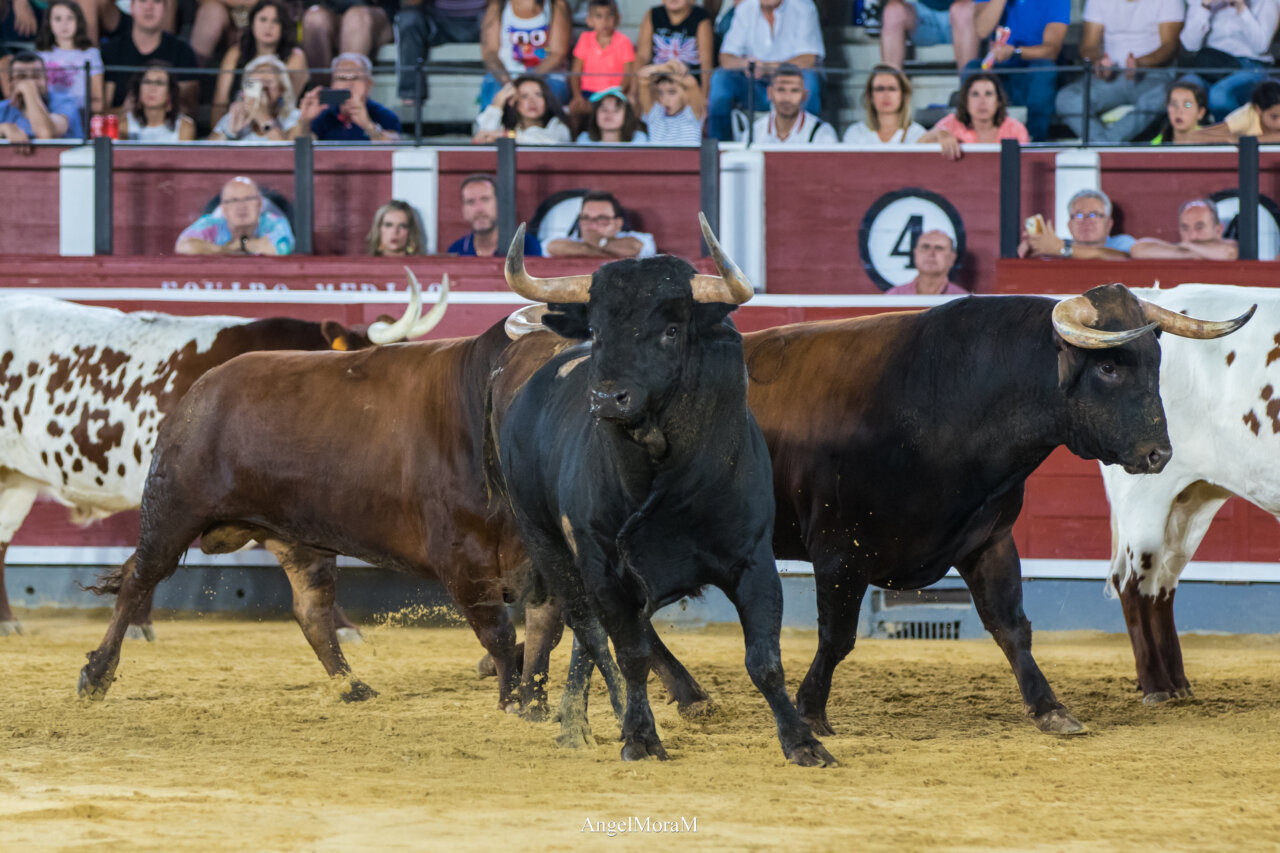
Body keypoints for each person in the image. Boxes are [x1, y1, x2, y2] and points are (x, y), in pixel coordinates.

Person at [1055, 0, 1184, 144]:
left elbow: (1170, 45)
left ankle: (1103, 145)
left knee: (1167, 95)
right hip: (1110, 77)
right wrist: (1099, 64)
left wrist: (1140, 63)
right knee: (1067, 98)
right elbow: (1089, 46)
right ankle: (1106, 145)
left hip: (1153, 75)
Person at [707, 0, 824, 140]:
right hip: (754, 84)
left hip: (789, 84)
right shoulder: (745, 8)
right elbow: (726, 58)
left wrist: (768, 68)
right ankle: (721, 150)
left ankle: (808, 144)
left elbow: (809, 59)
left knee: (809, 80)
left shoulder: (804, 7)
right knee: (720, 79)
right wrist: (747, 64)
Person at [969, 0, 1067, 143]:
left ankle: (1035, 140)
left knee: (1045, 69)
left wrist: (1015, 52)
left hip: (1032, 72)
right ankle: (973, 136)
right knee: (973, 68)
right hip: (998, 71)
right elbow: (982, 30)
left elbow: (1051, 50)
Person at [1178, 0, 1280, 122]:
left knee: (1219, 95)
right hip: (1212, 66)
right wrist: (1204, 7)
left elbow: (1261, 46)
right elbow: (1190, 45)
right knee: (1184, 93)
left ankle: (1229, 137)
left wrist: (1241, 7)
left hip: (1251, 67)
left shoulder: (1266, 3)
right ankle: (1192, 137)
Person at [212, 0, 308, 127]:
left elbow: (288, 102)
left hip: (280, 124)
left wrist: (261, 116)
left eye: (275, 21)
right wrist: (221, 130)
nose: (268, 26)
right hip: (238, 121)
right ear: (252, 23)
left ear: (283, 26)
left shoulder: (295, 56)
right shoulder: (235, 53)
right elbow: (220, 101)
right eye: (263, 20)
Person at [101, 0, 198, 113]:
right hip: (122, 128)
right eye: (142, 1)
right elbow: (100, 112)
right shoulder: (109, 51)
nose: (149, 7)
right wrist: (124, 111)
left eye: (157, 2)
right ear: (132, 7)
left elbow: (189, 109)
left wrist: (158, 109)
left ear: (166, 10)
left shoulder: (183, 52)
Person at [479, 0, 572, 109]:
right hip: (505, 75)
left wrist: (525, 83)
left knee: (547, 97)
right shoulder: (498, 6)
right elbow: (490, 53)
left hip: (546, 74)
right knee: (496, 97)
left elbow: (557, 54)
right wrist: (508, 83)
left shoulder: (556, 5)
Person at [919, 71, 1028, 159]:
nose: (982, 101)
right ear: (966, 101)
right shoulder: (952, 123)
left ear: (998, 101)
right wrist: (942, 135)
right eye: (975, 94)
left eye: (988, 94)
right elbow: (919, 144)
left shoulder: (1015, 129)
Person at [175, 176, 295, 256]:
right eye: (233, 201)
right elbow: (183, 246)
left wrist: (242, 245)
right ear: (224, 209)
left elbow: (283, 247)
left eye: (248, 199)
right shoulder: (211, 223)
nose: (241, 206)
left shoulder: (273, 221)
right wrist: (227, 250)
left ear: (259, 204)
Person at [296, 53, 402, 141]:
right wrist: (304, 122)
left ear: (368, 84)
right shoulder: (322, 115)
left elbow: (394, 149)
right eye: (342, 78)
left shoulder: (385, 116)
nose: (348, 84)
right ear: (333, 85)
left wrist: (368, 125)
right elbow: (298, 152)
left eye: (355, 78)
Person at [395, 0, 487, 103]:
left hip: (484, 18)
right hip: (438, 20)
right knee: (408, 19)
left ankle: (503, 94)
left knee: (501, 17)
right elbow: (408, 3)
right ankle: (410, 98)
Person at [1018, 188, 1134, 260]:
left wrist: (1062, 249)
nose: (1086, 221)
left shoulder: (1123, 242)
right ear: (1069, 225)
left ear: (1109, 224)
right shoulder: (1057, 245)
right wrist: (1034, 247)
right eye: (1078, 216)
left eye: (1094, 215)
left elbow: (1124, 258)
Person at [568, 0, 634, 125]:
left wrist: (618, 94)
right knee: (576, 110)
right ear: (589, 20)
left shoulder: (624, 41)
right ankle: (579, 141)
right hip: (588, 93)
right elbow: (575, 72)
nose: (604, 21)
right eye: (598, 16)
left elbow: (628, 75)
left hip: (614, 93)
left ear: (618, 18)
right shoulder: (584, 39)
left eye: (609, 15)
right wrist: (577, 96)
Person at [447, 173, 545, 256]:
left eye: (485, 199)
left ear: (500, 204)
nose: (479, 209)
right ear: (463, 210)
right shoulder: (456, 251)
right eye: (470, 202)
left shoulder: (526, 246)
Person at [0, 51, 83, 148]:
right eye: (21, 77)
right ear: (10, 83)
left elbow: (45, 134)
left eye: (36, 76)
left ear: (46, 80)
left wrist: (28, 90)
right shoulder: (3, 108)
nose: (30, 82)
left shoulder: (65, 102)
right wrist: (4, 128)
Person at [209, 54, 300, 141]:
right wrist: (229, 132)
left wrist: (262, 117)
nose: (262, 89)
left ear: (282, 88)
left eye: (268, 82)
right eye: (256, 83)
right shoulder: (236, 114)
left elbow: (290, 153)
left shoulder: (293, 117)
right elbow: (206, 150)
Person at [35, 0, 102, 115]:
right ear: (49, 23)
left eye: (70, 18)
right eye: (58, 19)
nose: (64, 24)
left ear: (78, 21)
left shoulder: (91, 54)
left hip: (80, 117)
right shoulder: (41, 55)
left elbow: (98, 102)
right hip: (48, 116)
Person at [544, 189, 656, 258]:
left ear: (618, 224)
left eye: (602, 219)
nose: (593, 226)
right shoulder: (568, 240)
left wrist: (595, 243)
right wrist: (604, 247)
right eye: (586, 218)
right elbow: (550, 247)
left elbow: (640, 248)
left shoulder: (636, 238)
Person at [635, 0, 713, 97]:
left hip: (689, 87)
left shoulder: (701, 17)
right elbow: (642, 56)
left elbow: (706, 62)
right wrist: (633, 93)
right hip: (657, 85)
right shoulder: (652, 14)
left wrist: (704, 97)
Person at [879, 0, 977, 71]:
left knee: (964, 11)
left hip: (964, 19)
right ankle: (889, 86)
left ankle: (969, 88)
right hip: (923, 18)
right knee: (892, 12)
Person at [472, 73, 571, 143]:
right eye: (524, 96)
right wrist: (497, 104)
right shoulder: (503, 130)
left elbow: (549, 143)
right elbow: (484, 137)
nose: (532, 101)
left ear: (546, 100)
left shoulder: (557, 126)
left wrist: (507, 136)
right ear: (513, 102)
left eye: (538, 95)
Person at [302, 0, 394, 74]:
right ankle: (321, 92)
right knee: (314, 18)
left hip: (375, 13)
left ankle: (347, 91)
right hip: (331, 11)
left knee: (355, 18)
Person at [752, 62, 835, 143]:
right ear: (769, 93)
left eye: (794, 91)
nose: (787, 98)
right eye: (781, 90)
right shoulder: (754, 132)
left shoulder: (821, 132)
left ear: (804, 95)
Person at [1130, 198, 1239, 260]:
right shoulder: (1181, 248)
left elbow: (1229, 253)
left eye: (1199, 227)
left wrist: (1187, 246)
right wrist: (1189, 251)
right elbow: (1137, 249)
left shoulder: (1231, 246)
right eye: (1185, 228)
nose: (1192, 235)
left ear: (1218, 230)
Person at [842, 64, 926, 144]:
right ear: (870, 96)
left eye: (892, 89)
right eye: (880, 89)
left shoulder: (917, 134)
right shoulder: (856, 133)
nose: (886, 95)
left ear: (903, 95)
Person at [119, 62, 197, 140]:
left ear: (170, 93)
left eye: (159, 83)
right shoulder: (124, 125)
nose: (152, 88)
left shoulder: (184, 126)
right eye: (147, 82)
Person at [637, 59, 705, 144]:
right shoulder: (654, 113)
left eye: (672, 92)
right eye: (660, 93)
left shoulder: (692, 114)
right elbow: (643, 77)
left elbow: (691, 83)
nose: (665, 99)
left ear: (685, 94)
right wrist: (668, 67)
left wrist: (670, 69)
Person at [1190, 78, 1280, 142]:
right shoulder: (1247, 115)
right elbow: (1197, 135)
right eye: (1274, 117)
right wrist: (1230, 139)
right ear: (1258, 109)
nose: (1279, 123)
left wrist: (1241, 141)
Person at [885, 230, 967, 295]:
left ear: (952, 257)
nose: (931, 254)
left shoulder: (962, 300)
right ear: (915, 253)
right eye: (925, 247)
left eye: (939, 248)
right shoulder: (895, 296)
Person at [575, 87, 648, 143]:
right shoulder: (584, 140)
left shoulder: (638, 139)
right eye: (604, 109)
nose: (609, 114)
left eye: (616, 110)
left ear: (627, 116)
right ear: (595, 114)